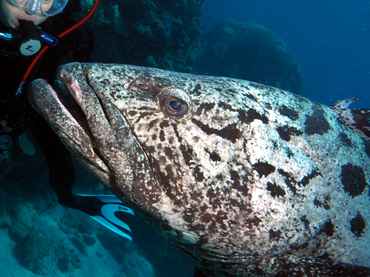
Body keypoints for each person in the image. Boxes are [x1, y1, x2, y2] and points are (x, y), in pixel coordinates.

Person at [0, 0, 134, 240]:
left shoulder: (62, 29)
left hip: (33, 101)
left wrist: (79, 87)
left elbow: (85, 39)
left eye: (49, 2)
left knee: (62, 157)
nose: (31, 10)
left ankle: (72, 199)